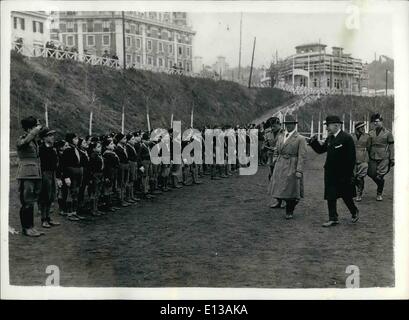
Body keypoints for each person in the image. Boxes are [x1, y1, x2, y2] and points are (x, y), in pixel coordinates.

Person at [309, 115, 359, 227]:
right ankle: (333, 218)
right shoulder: (330, 138)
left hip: (343, 173)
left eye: (328, 126)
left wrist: (349, 174)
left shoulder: (347, 138)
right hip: (330, 172)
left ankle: (354, 211)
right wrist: (313, 142)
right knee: (330, 195)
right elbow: (321, 150)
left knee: (346, 195)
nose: (327, 128)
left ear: (336, 125)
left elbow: (351, 159)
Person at [268, 115, 307, 219]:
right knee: (279, 186)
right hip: (280, 164)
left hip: (292, 164)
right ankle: (279, 202)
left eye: (291, 124)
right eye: (287, 124)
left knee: (291, 189)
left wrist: (299, 170)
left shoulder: (300, 138)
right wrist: (275, 160)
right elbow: (276, 150)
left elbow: (302, 156)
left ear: (294, 125)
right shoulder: (281, 137)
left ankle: (289, 210)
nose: (289, 126)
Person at [16, 116, 44, 237]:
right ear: (29, 129)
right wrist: (35, 130)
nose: (38, 129)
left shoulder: (34, 141)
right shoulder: (22, 139)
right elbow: (25, 142)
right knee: (26, 202)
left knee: (32, 202)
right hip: (26, 174)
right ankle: (26, 228)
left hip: (35, 173)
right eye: (35, 126)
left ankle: (31, 227)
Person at [367, 113, 394, 201]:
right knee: (371, 173)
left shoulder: (388, 133)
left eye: (377, 121)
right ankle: (381, 184)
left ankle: (379, 194)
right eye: (374, 122)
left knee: (380, 176)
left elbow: (391, 146)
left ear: (381, 122)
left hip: (384, 157)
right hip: (372, 156)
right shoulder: (370, 133)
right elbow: (368, 146)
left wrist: (392, 158)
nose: (375, 123)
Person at [38, 127, 61, 228]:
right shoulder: (41, 148)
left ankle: (48, 217)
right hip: (44, 173)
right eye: (50, 135)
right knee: (45, 196)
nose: (52, 137)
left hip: (52, 173)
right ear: (44, 138)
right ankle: (44, 219)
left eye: (52, 135)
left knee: (51, 196)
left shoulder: (53, 148)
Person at [60, 133, 84, 221]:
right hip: (71, 173)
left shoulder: (76, 149)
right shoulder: (67, 150)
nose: (77, 140)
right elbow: (64, 165)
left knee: (76, 193)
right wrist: (66, 177)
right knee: (71, 193)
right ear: (71, 140)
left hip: (77, 172)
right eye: (75, 139)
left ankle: (74, 212)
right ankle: (69, 213)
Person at [264, 116, 285, 208]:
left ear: (279, 125)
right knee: (273, 179)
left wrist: (275, 149)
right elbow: (266, 144)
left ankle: (284, 200)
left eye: (275, 126)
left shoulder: (284, 133)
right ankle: (278, 200)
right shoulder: (268, 134)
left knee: (282, 179)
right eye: (271, 126)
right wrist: (265, 147)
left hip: (281, 159)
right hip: (271, 159)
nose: (273, 128)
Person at [352, 121, 370, 201]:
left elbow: (369, 147)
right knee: (354, 177)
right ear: (357, 128)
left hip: (363, 158)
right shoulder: (351, 136)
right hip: (353, 158)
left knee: (360, 177)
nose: (363, 129)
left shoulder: (367, 136)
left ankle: (359, 193)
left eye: (363, 127)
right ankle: (356, 191)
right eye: (361, 127)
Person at [114, 133, 131, 207]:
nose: (126, 140)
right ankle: (120, 199)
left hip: (126, 165)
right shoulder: (117, 148)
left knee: (124, 182)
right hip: (121, 165)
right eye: (124, 138)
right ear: (120, 140)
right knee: (120, 183)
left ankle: (123, 198)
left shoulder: (124, 147)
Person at [88, 141, 105, 216]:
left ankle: (96, 208)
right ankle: (93, 209)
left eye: (100, 147)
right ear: (94, 149)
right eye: (98, 147)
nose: (100, 148)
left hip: (100, 174)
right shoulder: (93, 156)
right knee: (94, 192)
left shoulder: (99, 155)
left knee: (98, 192)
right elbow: (91, 168)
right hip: (95, 175)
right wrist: (91, 178)